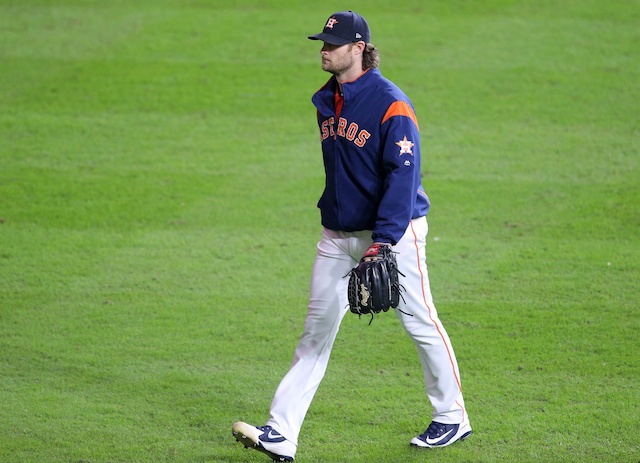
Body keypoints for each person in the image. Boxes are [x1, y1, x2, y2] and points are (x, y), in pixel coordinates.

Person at [232, 10, 471, 462]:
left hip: (393, 234)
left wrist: (383, 241)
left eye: (333, 43)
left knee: (419, 321)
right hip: (338, 236)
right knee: (314, 333)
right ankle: (281, 432)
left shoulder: (391, 103)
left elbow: (403, 176)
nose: (324, 48)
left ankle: (453, 417)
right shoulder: (328, 98)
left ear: (358, 48)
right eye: (322, 41)